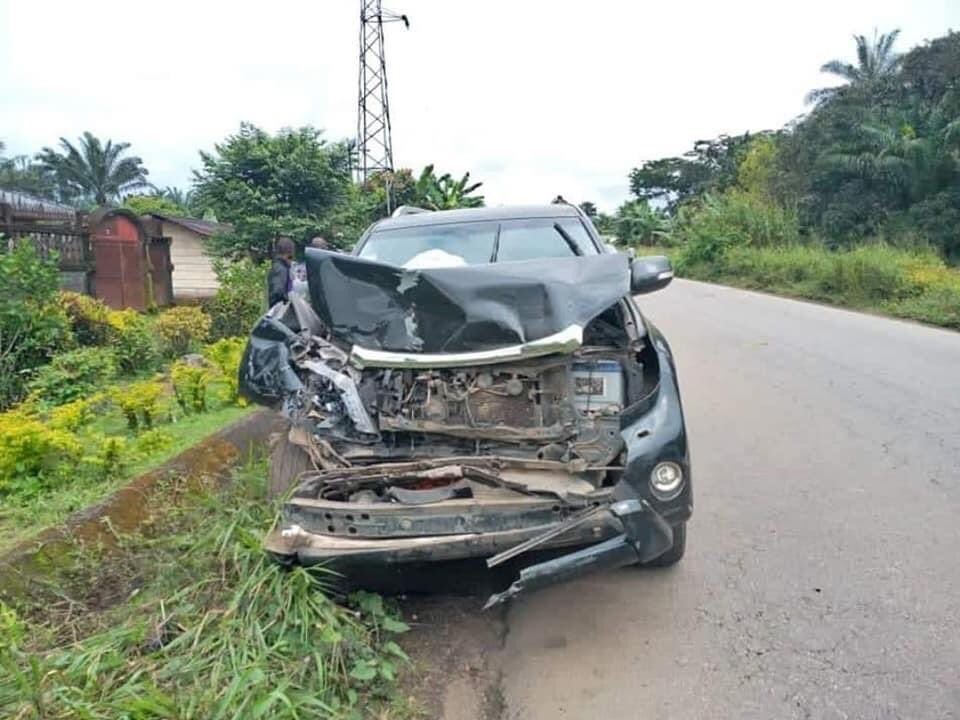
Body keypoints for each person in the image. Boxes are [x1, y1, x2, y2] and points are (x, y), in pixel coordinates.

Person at [267, 236, 295, 306]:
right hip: (279, 311)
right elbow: (277, 292)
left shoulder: (277, 267)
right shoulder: (281, 269)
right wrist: (289, 301)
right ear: (289, 252)